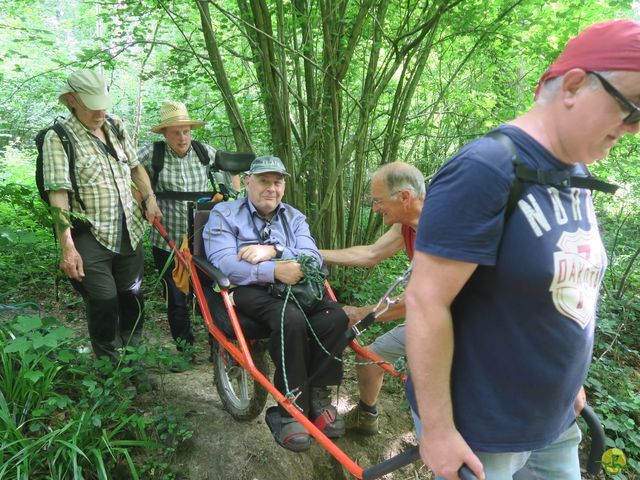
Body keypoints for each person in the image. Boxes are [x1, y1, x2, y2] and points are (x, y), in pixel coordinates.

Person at [405, 19, 640, 480]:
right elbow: (426, 300)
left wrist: (569, 384)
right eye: (632, 108)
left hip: (555, 421)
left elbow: (567, 285)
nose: (633, 129)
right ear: (574, 85)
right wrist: (437, 430)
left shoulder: (574, 173)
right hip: (484, 434)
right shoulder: (487, 167)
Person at [203, 156, 348, 452]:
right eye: (264, 181)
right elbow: (225, 264)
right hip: (249, 289)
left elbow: (313, 256)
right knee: (289, 317)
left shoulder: (293, 217)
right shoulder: (225, 214)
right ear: (247, 182)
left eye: (277, 182)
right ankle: (290, 409)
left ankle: (315, 397)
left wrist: (273, 250)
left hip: (296, 286)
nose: (271, 188)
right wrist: (274, 270)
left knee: (336, 317)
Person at [43, 69, 162, 367]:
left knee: (132, 296)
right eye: (91, 105)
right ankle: (110, 366)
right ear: (71, 100)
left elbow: (135, 168)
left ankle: (134, 360)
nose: (99, 111)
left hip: (129, 230)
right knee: (104, 300)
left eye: (103, 104)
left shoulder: (116, 126)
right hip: (90, 234)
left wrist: (149, 198)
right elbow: (58, 194)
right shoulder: (58, 138)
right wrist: (67, 246)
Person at [319, 162, 425, 434]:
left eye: (378, 200)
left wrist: (361, 314)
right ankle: (367, 416)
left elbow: (418, 299)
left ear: (404, 197)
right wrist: (315, 254)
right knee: (371, 356)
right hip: (427, 318)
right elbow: (370, 255)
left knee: (423, 388)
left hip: (460, 328)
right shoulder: (407, 225)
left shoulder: (442, 231)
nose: (375, 208)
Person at [138, 101, 240, 357]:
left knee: (210, 294)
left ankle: (219, 348)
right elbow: (127, 168)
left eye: (186, 131)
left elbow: (233, 170)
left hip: (204, 241)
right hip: (166, 241)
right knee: (176, 298)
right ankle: (185, 350)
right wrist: (144, 199)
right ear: (165, 133)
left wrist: (234, 199)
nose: (182, 137)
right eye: (175, 132)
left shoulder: (205, 152)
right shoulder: (152, 154)